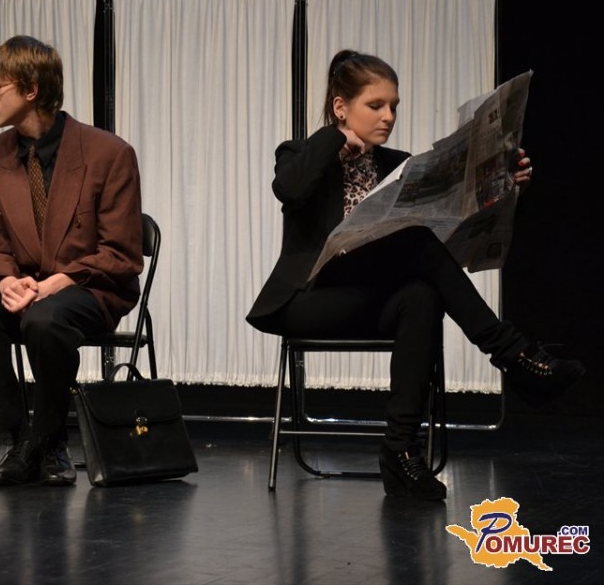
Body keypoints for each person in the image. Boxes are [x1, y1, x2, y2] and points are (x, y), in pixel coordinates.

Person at [246, 49, 586, 501]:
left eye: (394, 106)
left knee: (423, 295)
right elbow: (289, 189)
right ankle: (513, 354)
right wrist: (334, 139)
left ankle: (401, 453)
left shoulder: (398, 165)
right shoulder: (300, 154)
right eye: (375, 105)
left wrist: (505, 190)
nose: (388, 116)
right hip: (309, 300)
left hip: (369, 299)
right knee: (416, 244)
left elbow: (449, 243)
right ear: (341, 107)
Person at [0, 35, 143, 487]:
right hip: (24, 285)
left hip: (90, 287)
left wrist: (58, 282)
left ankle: (51, 440)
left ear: (31, 89)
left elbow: (121, 252)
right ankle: (21, 440)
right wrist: (6, 280)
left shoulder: (108, 153)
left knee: (45, 320)